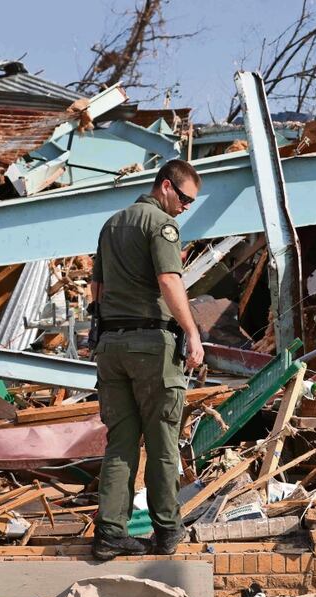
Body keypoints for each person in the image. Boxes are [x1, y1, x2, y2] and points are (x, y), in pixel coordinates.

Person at [89, 160, 205, 561]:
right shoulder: (160, 225)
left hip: (111, 345)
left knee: (119, 442)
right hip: (150, 347)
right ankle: (168, 529)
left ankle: (110, 533)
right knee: (161, 440)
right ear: (167, 187)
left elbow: (97, 287)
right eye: (186, 198)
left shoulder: (113, 224)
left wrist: (99, 333)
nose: (187, 208)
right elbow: (170, 280)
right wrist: (192, 333)